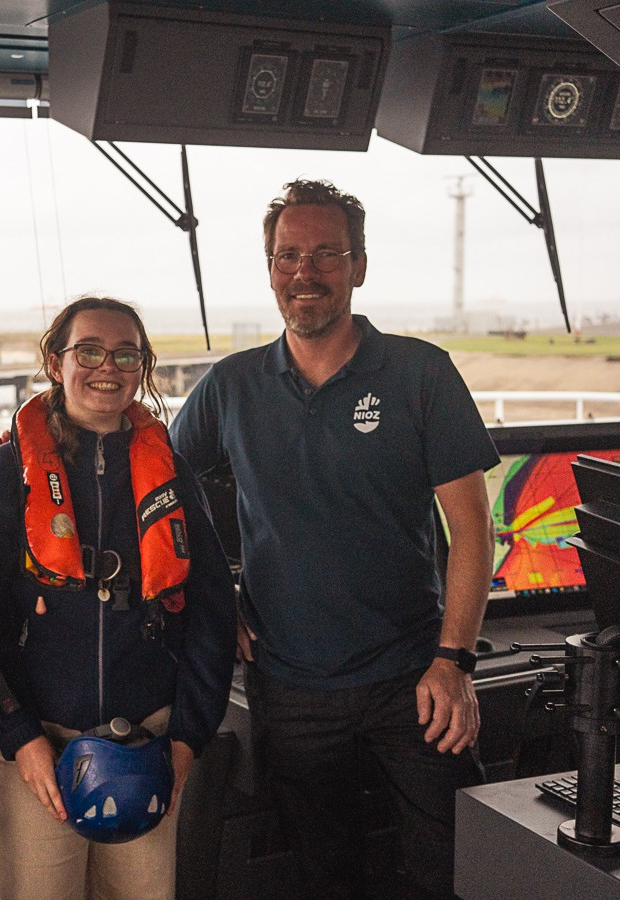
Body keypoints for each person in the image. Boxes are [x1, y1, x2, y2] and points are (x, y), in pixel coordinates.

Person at [170, 180, 499, 898]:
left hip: (416, 680)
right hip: (290, 688)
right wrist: (216, 600)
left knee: (453, 872)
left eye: (326, 254)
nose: (304, 272)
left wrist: (455, 662)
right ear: (269, 269)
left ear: (360, 266)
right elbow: (157, 500)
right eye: (287, 255)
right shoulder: (230, 386)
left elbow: (475, 529)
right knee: (323, 876)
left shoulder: (420, 374)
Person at [0, 296, 237, 900]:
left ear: (143, 367)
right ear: (56, 361)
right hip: (37, 747)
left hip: (151, 742)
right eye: (88, 350)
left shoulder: (173, 477)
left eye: (125, 354)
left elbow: (212, 618)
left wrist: (188, 738)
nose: (106, 366)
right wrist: (19, 739)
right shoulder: (7, 476)